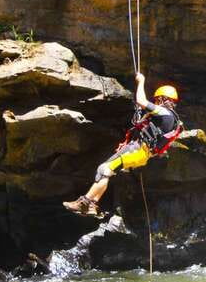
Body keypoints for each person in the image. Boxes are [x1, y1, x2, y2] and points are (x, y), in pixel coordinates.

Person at [63, 72, 182, 217]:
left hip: (137, 150)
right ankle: (92, 205)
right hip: (142, 154)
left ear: (163, 99)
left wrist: (141, 81)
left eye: (157, 99)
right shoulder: (173, 120)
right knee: (107, 170)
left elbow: (141, 100)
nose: (156, 102)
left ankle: (84, 203)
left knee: (104, 169)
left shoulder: (164, 112)